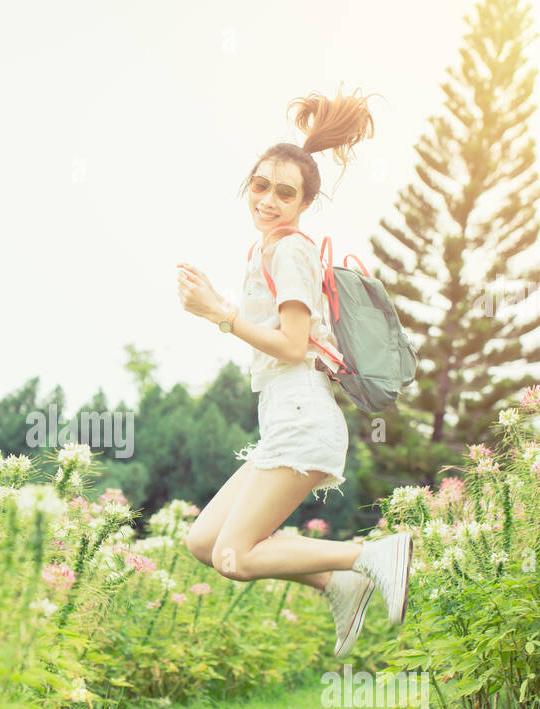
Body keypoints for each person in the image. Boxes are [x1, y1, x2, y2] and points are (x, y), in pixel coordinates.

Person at [175, 86, 411, 659]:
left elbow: (292, 344)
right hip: (283, 415)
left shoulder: (291, 252)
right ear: (247, 186)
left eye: (286, 193)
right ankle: (339, 582)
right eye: (261, 186)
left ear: (305, 202)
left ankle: (369, 556)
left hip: (302, 411)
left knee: (237, 557)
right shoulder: (265, 251)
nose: (269, 199)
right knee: (205, 541)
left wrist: (220, 315)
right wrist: (220, 310)